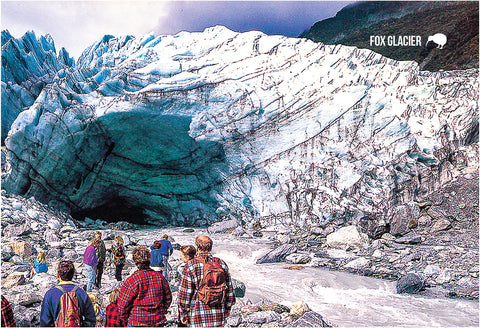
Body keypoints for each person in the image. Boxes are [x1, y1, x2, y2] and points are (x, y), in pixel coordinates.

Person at [178, 236, 235, 327]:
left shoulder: (191, 265)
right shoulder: (221, 264)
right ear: (211, 247)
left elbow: (185, 294)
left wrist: (183, 314)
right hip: (218, 317)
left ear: (197, 247)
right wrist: (227, 309)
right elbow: (230, 291)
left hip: (197, 318)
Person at [118, 246, 172, 327]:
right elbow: (168, 298)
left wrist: (125, 318)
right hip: (157, 320)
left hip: (136, 321)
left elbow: (122, 304)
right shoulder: (160, 278)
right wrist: (162, 311)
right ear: (149, 260)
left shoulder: (132, 280)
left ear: (135, 262)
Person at [39, 260, 96, 327]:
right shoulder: (82, 293)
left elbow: (44, 321)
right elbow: (91, 320)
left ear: (58, 275)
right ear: (73, 274)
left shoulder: (50, 294)